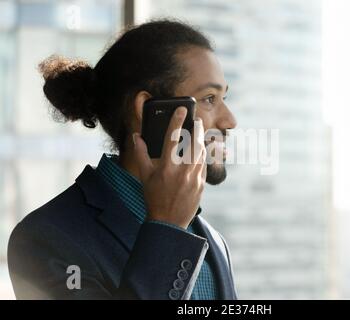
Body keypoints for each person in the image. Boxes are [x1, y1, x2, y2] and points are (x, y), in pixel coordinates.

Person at [7, 19, 238, 300]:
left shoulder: (214, 242)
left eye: (224, 97)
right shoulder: (45, 239)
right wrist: (167, 229)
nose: (230, 121)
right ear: (149, 110)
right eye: (209, 98)